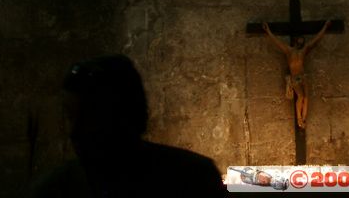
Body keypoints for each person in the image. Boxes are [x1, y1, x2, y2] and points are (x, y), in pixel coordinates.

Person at [28, 54, 227, 197]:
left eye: (91, 116)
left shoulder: (192, 179)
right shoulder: (55, 189)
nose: (75, 131)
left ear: (125, 115)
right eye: (71, 116)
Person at [262, 20, 331, 130]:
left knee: (307, 98)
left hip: (303, 76)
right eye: (300, 40)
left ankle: (304, 119)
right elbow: (277, 42)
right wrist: (268, 31)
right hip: (295, 78)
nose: (301, 42)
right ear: (295, 41)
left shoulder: (303, 51)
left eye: (302, 41)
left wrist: (325, 27)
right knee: (301, 97)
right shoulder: (289, 51)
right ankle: (299, 119)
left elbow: (315, 39)